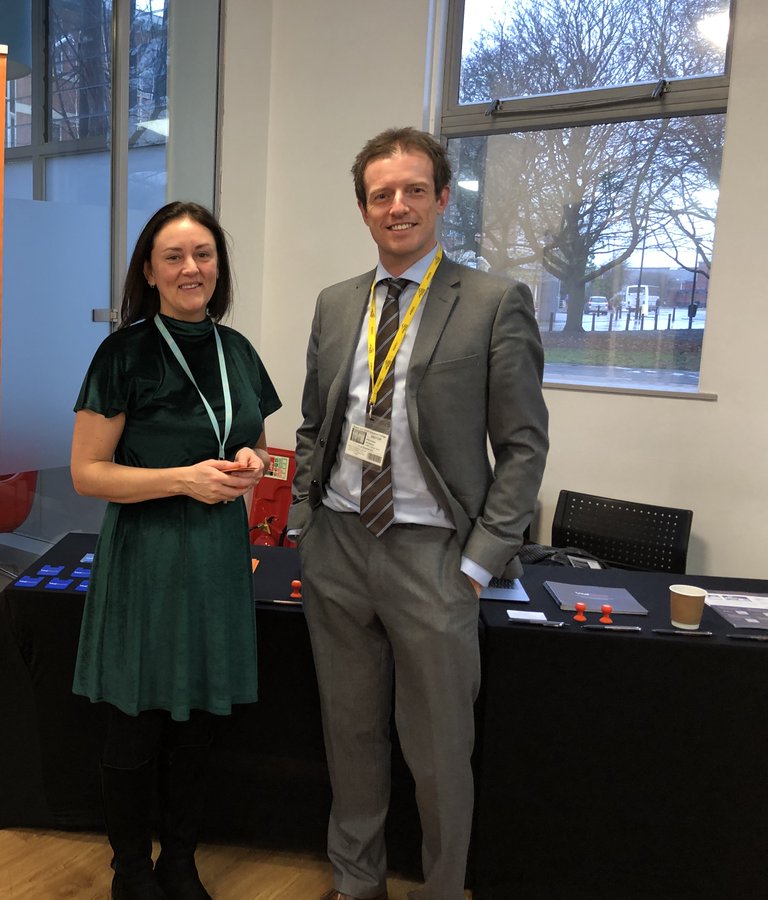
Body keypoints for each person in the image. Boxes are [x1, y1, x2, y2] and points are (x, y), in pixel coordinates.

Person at [289, 128, 549, 900]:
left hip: (434, 557)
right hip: (339, 545)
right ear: (364, 209)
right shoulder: (337, 304)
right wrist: (304, 521)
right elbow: (315, 425)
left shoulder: (494, 302)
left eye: (412, 191)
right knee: (350, 736)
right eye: (381, 195)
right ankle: (356, 882)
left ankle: (441, 890)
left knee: (438, 752)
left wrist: (479, 562)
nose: (396, 206)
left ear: (441, 198)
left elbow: (523, 446)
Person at [71, 200, 281, 900]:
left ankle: (180, 861)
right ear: (150, 271)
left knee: (197, 725)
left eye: (204, 254)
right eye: (174, 256)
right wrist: (182, 479)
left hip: (217, 556)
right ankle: (131, 870)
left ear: (219, 266)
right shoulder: (123, 353)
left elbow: (254, 445)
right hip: (148, 557)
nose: (191, 268)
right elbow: (87, 473)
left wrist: (250, 463)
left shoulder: (237, 350)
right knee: (135, 726)